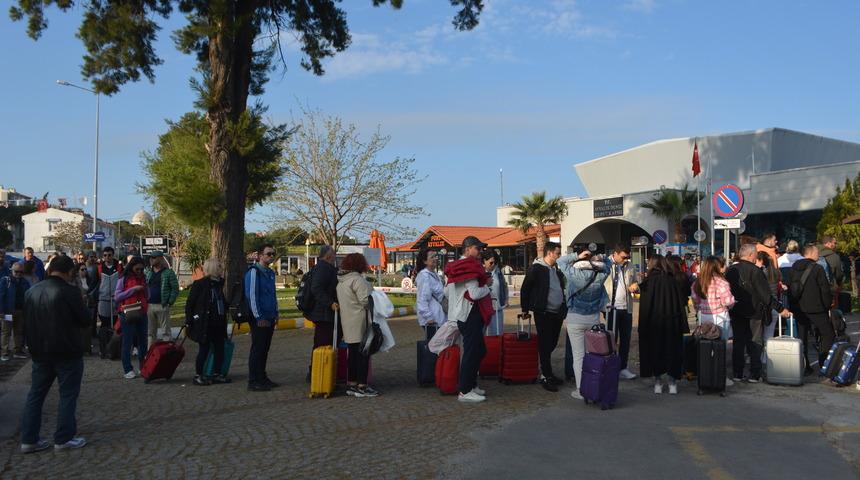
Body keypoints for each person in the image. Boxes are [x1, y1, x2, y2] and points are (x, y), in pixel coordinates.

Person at [19, 255, 89, 453]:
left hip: (39, 350)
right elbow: (84, 320)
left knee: (36, 394)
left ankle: (29, 439)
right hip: (66, 349)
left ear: (49, 271)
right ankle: (64, 437)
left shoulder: (32, 291)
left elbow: (27, 321)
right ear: (69, 272)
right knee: (67, 395)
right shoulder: (69, 291)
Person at [726, 244, 790, 383]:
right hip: (754, 312)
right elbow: (765, 295)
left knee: (738, 342)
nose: (756, 257)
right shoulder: (755, 271)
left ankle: (737, 373)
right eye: (755, 254)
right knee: (755, 343)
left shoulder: (730, 270)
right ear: (750, 255)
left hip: (736, 311)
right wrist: (780, 309)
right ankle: (755, 374)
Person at [445, 236, 492, 403]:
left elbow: (447, 292)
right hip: (469, 314)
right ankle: (465, 390)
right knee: (472, 352)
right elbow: (474, 294)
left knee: (478, 351)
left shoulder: (459, 266)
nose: (480, 252)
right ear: (467, 249)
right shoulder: (468, 267)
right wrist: (487, 286)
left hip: (464, 314)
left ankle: (470, 385)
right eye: (477, 249)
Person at [558, 249, 609, 400]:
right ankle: (593, 385)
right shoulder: (601, 275)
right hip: (593, 319)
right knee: (592, 355)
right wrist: (599, 257)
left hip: (575, 318)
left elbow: (561, 262)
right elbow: (609, 263)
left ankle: (581, 389)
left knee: (578, 356)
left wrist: (578, 256)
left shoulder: (574, 274)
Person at [520, 241, 567, 392]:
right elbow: (525, 289)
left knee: (552, 343)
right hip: (543, 312)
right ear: (550, 253)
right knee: (545, 344)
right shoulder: (537, 269)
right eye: (557, 253)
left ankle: (548, 373)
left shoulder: (555, 270)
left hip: (557, 313)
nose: (559, 256)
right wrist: (525, 308)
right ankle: (546, 375)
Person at [638, 254, 688, 395]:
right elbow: (680, 303)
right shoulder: (672, 280)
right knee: (673, 351)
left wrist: (643, 326)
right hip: (672, 321)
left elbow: (645, 307)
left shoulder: (649, 282)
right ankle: (672, 383)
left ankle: (658, 382)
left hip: (654, 323)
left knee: (656, 351)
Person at [336, 253, 379, 397]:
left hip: (347, 322)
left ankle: (352, 384)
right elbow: (366, 301)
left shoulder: (341, 281)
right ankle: (362, 386)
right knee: (363, 355)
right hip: (360, 321)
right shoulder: (357, 280)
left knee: (352, 355)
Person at [690, 256, 736, 385]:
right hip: (720, 317)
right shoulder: (721, 282)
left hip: (704, 316)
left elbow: (695, 301)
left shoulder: (697, 282)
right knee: (721, 349)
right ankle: (721, 377)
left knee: (705, 348)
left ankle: (705, 375)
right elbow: (728, 301)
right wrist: (731, 303)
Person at [789, 243, 833, 375]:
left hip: (799, 307)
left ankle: (804, 365)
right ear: (810, 253)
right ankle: (824, 363)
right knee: (827, 334)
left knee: (802, 337)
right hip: (817, 308)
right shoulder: (817, 268)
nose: (818, 254)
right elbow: (825, 289)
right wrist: (827, 305)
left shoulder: (793, 268)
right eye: (816, 252)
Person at [185, 258, 231, 386]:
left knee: (219, 349)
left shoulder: (219, 284)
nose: (222, 269)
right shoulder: (200, 284)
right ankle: (198, 375)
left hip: (219, 323)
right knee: (204, 349)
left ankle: (217, 373)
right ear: (213, 269)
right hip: (205, 323)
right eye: (219, 267)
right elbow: (190, 303)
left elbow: (220, 300)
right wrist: (190, 319)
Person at [601, 244, 639, 380]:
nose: (625, 259)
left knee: (626, 339)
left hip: (626, 307)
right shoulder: (605, 264)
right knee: (611, 339)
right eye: (623, 257)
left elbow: (635, 281)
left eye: (627, 257)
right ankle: (610, 367)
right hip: (611, 307)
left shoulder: (630, 266)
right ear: (615, 254)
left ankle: (623, 367)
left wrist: (635, 286)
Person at [245, 243, 279, 391]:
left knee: (265, 349)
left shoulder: (270, 273)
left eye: (273, 254)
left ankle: (262, 376)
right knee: (257, 349)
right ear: (260, 255)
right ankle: (253, 380)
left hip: (270, 316)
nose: (271, 256)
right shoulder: (254, 272)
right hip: (259, 318)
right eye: (268, 254)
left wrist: (276, 313)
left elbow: (273, 295)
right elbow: (252, 296)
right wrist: (259, 317)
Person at [306, 245, 339, 382]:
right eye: (333, 253)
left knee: (325, 343)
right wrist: (330, 303)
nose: (335, 256)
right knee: (322, 343)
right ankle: (316, 373)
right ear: (328, 255)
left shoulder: (323, 267)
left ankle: (323, 372)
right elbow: (316, 288)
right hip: (323, 313)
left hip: (325, 312)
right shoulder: (323, 268)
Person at [114, 257, 149, 379]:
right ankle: (127, 368)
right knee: (127, 341)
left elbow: (147, 293)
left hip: (142, 311)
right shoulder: (123, 278)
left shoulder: (143, 277)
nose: (139, 271)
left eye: (142, 269)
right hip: (127, 312)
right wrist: (133, 290)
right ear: (132, 266)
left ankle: (143, 366)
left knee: (143, 342)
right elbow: (117, 296)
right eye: (137, 269)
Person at [144, 251, 180, 344]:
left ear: (160, 258)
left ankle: (167, 354)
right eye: (151, 257)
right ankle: (150, 354)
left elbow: (175, 288)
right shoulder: (148, 272)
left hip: (162, 305)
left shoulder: (168, 273)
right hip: (149, 305)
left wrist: (170, 302)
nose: (151, 259)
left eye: (154, 257)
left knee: (166, 332)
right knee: (150, 333)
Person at [0, 262, 32, 361]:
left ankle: (17, 350)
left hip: (20, 310)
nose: (18, 273)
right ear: (11, 271)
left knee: (19, 332)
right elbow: (1, 296)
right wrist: (1, 310)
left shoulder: (25, 282)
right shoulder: (5, 281)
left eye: (21, 272)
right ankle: (4, 352)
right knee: (6, 332)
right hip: (8, 311)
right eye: (16, 271)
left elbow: (28, 296)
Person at [415, 249, 446, 340]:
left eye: (436, 256)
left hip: (439, 317)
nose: (435, 258)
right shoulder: (424, 276)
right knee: (433, 348)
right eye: (432, 257)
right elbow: (422, 299)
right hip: (432, 320)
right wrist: (428, 317)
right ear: (425, 261)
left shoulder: (434, 274)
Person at [481, 250, 508, 337]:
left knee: (497, 335)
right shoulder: (479, 272)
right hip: (483, 310)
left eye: (495, 262)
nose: (493, 265)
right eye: (491, 262)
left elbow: (504, 286)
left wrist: (506, 299)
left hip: (497, 308)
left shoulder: (498, 272)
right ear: (484, 261)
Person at [756, 251, 781, 344]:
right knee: (769, 336)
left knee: (758, 336)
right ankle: (767, 357)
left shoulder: (761, 273)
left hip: (764, 306)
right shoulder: (776, 272)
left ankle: (759, 356)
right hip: (774, 306)